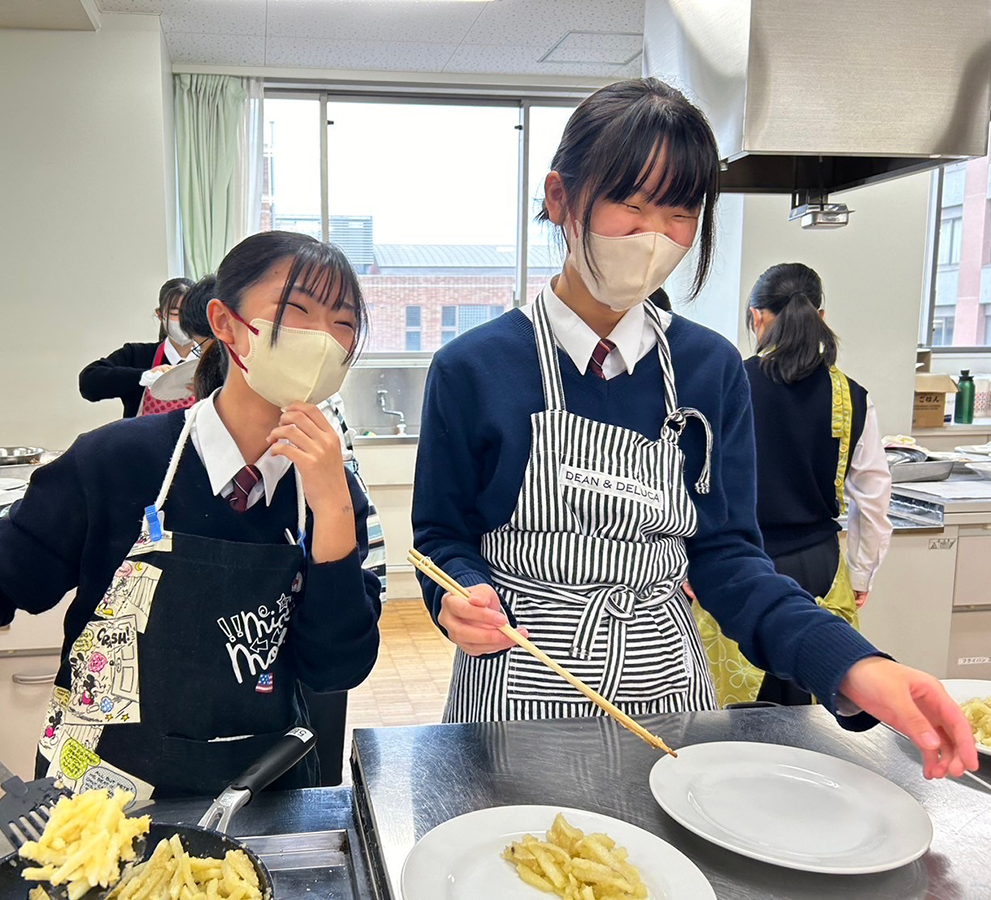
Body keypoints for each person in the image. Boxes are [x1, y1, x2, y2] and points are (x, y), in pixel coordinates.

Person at [411, 78, 975, 780]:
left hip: (667, 692)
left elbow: (729, 561)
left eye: (679, 210)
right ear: (560, 199)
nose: (654, 234)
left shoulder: (709, 368)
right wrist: (455, 595)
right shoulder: (473, 367)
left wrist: (853, 665)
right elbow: (440, 538)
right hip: (521, 680)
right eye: (630, 201)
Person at [0, 232, 383, 799]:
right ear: (223, 321)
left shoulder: (328, 492)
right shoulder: (116, 460)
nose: (321, 341)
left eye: (342, 325)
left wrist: (333, 509)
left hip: (262, 793)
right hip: (100, 798)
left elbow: (336, 668)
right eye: (296, 314)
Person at [694, 263, 893, 707]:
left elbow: (694, 486)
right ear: (821, 317)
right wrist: (861, 572)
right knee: (812, 712)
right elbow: (874, 497)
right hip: (818, 567)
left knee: (735, 715)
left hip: (737, 570)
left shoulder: (730, 385)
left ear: (756, 318)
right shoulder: (851, 395)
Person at [79, 276, 215, 418]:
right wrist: (146, 376)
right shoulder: (137, 355)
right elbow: (89, 383)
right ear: (160, 314)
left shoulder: (212, 359)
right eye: (175, 314)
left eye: (187, 314)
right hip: (144, 440)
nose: (182, 321)